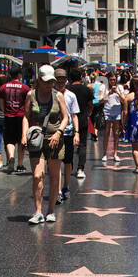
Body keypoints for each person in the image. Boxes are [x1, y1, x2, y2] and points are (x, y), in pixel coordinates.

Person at [23, 64, 68, 224]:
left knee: (54, 176)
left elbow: (65, 118)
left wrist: (58, 132)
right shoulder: (31, 95)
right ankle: (38, 211)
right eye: (46, 81)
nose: (50, 85)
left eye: (52, 82)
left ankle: (51, 211)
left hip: (55, 140)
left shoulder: (58, 96)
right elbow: (26, 116)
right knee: (37, 175)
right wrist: (24, 134)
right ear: (39, 80)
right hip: (37, 140)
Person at [0, 64, 30, 173]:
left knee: (9, 140)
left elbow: (1, 104)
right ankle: (20, 165)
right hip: (21, 117)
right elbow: (28, 103)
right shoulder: (25, 88)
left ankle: (11, 157)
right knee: (21, 140)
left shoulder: (3, 87)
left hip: (8, 117)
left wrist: (6, 111)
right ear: (19, 75)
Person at [55, 68, 80, 201]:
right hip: (55, 132)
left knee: (68, 161)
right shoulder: (51, 95)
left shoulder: (71, 96)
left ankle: (65, 186)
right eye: (58, 80)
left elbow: (74, 115)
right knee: (57, 161)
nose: (60, 83)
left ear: (66, 80)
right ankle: (58, 190)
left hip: (69, 132)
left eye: (62, 80)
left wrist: (77, 132)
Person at [68, 66, 93, 181]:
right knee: (82, 144)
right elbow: (91, 104)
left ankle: (69, 167)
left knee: (69, 145)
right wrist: (88, 113)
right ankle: (80, 168)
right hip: (82, 118)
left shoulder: (67, 89)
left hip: (69, 120)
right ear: (81, 77)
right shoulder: (86, 89)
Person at [101, 73, 125, 161]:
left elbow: (123, 100)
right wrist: (109, 94)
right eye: (111, 80)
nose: (113, 81)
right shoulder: (104, 88)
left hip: (117, 112)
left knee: (116, 133)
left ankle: (115, 153)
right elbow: (100, 100)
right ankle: (104, 153)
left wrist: (118, 93)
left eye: (114, 80)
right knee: (106, 133)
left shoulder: (120, 87)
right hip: (107, 112)